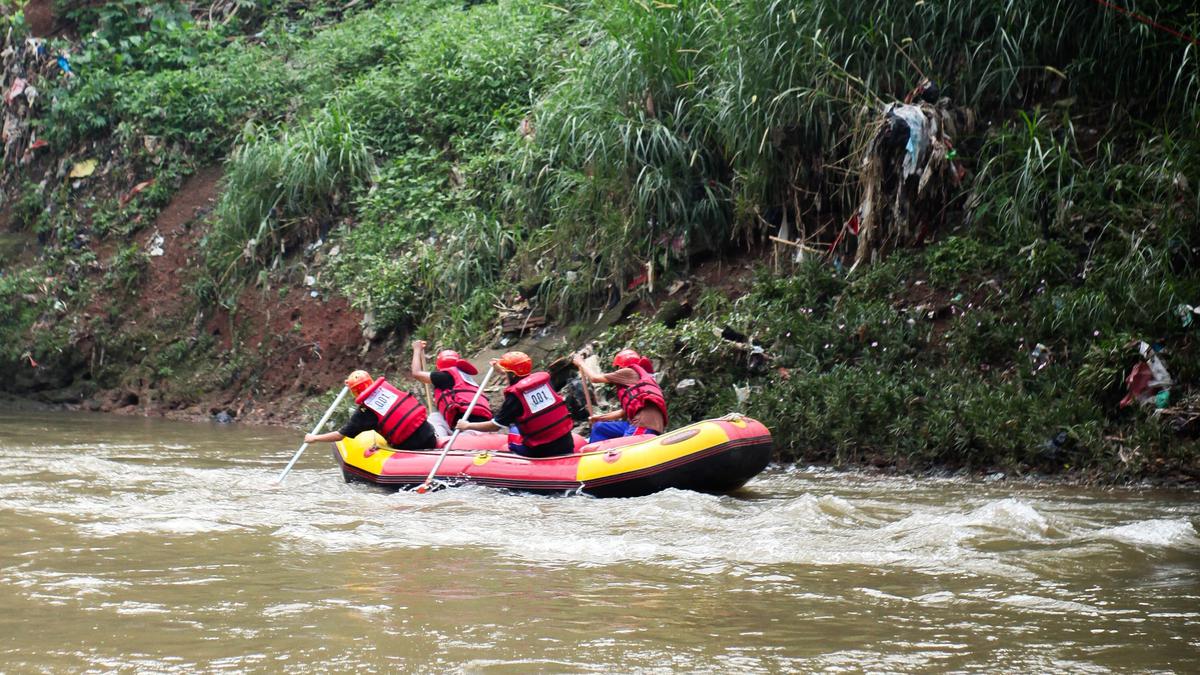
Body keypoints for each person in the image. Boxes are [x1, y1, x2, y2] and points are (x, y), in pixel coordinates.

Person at [455, 351, 575, 457]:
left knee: (512, 432)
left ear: (512, 374)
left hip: (541, 451)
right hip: (567, 443)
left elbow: (494, 426)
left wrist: (467, 426)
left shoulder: (515, 397)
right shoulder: (545, 382)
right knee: (517, 426)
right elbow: (516, 375)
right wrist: (503, 369)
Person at [305, 369, 437, 450]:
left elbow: (340, 435)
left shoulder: (364, 412)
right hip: (430, 435)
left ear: (354, 392)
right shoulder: (387, 390)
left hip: (411, 446)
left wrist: (315, 438)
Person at [572, 348, 667, 442]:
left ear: (621, 366)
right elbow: (623, 412)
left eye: (618, 367)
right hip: (642, 423)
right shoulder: (638, 379)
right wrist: (599, 418)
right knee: (599, 428)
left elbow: (595, 378)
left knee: (626, 448)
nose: (617, 370)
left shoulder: (628, 372)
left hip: (644, 424)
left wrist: (581, 363)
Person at [410, 339, 493, 428]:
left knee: (434, 417)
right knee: (437, 416)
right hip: (484, 422)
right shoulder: (465, 378)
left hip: (466, 421)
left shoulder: (445, 376)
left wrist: (417, 349)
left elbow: (416, 373)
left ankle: (436, 438)